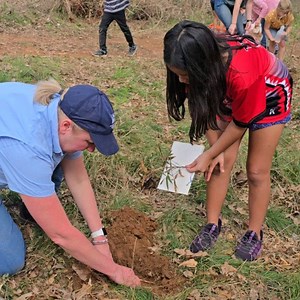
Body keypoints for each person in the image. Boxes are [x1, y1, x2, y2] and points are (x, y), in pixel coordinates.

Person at [163, 20, 293, 261]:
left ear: (200, 67)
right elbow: (204, 108)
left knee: (256, 170)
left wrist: (210, 153)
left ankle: (254, 231)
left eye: (184, 76)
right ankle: (212, 223)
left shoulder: (241, 73)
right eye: (177, 75)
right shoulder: (196, 60)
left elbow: (240, 124)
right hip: (228, 86)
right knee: (220, 161)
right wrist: (214, 151)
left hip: (270, 90)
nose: (181, 81)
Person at [0, 80, 141, 287]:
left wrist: (99, 238)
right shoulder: (28, 149)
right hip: (17, 149)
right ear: (66, 126)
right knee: (10, 260)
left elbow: (78, 178)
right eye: (90, 142)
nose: (92, 150)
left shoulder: (60, 109)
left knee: (62, 153)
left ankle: (34, 206)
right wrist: (115, 271)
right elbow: (61, 235)